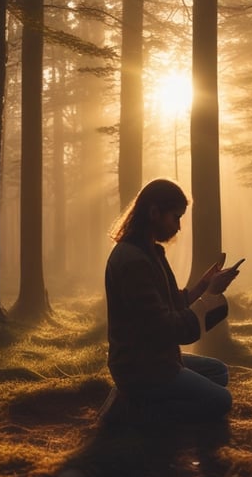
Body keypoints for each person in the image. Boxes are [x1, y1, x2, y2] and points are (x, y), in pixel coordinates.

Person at [102, 178, 242, 424]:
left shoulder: (148, 252)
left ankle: (139, 401)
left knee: (218, 371)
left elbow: (170, 302)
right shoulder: (133, 261)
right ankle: (131, 412)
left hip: (156, 358)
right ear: (154, 212)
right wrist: (210, 297)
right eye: (175, 217)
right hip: (142, 369)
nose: (178, 227)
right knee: (221, 401)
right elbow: (167, 328)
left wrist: (204, 285)